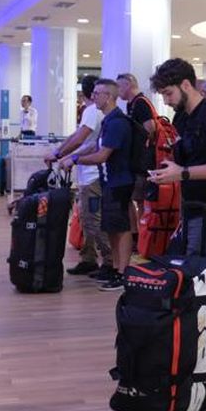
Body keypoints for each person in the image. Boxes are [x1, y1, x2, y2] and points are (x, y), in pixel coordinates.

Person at [147, 58, 206, 397]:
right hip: (196, 213)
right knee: (200, 288)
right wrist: (174, 167)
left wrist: (183, 173)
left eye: (169, 92)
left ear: (186, 85)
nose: (166, 100)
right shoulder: (184, 117)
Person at [59, 79, 134, 292]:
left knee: (121, 228)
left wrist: (74, 160)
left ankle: (122, 272)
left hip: (119, 182)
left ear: (109, 96)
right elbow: (93, 145)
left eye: (98, 93)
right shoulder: (108, 121)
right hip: (108, 181)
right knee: (110, 227)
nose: (94, 97)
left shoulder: (118, 122)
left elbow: (102, 155)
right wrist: (66, 155)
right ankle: (115, 268)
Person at [45, 75, 112, 278]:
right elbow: (81, 139)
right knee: (86, 217)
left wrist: (59, 154)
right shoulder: (95, 112)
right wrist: (63, 154)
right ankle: (88, 257)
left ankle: (109, 262)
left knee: (92, 218)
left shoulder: (93, 112)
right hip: (89, 172)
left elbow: (80, 138)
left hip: (93, 174)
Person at [118, 73, 157, 237]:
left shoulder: (141, 103)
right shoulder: (131, 104)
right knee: (135, 199)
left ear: (128, 85)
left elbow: (151, 128)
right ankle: (137, 234)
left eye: (119, 86)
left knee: (140, 200)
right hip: (136, 160)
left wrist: (139, 143)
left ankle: (142, 235)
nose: (118, 91)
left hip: (143, 161)